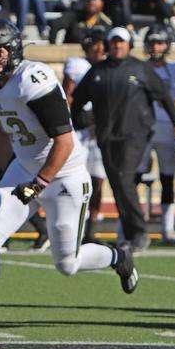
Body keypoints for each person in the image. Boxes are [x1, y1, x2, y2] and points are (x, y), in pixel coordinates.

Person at [0, 19, 139, 331]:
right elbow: (6, 129)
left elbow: (64, 140)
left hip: (64, 173)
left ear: (13, 49)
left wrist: (39, 183)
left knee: (67, 264)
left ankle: (118, 256)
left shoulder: (32, 79)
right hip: (24, 166)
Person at [73, 27, 175, 252]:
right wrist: (82, 121)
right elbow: (77, 101)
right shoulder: (97, 71)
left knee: (125, 179)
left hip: (134, 135)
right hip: (106, 137)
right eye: (113, 42)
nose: (117, 46)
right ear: (107, 44)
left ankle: (139, 233)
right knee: (117, 185)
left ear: (129, 45)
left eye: (121, 42)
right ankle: (130, 233)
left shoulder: (140, 69)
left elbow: (164, 96)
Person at [137, 25, 175, 244]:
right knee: (135, 178)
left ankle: (168, 229)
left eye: (160, 42)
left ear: (168, 45)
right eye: (152, 42)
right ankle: (131, 227)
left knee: (168, 179)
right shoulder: (137, 68)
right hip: (143, 128)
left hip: (168, 128)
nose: (156, 47)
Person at [62, 26, 108, 243]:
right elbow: (67, 97)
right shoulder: (77, 65)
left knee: (98, 179)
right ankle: (75, 224)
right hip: (79, 129)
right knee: (75, 177)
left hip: (99, 131)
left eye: (102, 44)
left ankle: (92, 226)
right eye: (95, 44)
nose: (99, 49)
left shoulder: (110, 68)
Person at [48, 0, 114, 44]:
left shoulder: (106, 22)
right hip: (72, 55)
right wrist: (53, 46)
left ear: (101, 3)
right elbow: (55, 24)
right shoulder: (73, 16)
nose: (91, 2)